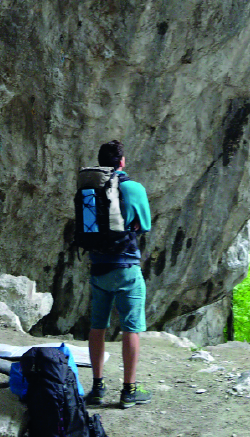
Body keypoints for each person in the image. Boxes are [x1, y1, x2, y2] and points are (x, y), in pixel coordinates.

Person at [83, 139, 153, 409]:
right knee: (130, 328)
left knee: (97, 326)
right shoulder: (133, 187)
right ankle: (129, 390)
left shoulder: (89, 190)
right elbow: (144, 224)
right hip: (126, 268)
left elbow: (88, 228)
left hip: (98, 269)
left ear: (100, 163)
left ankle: (98, 388)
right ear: (122, 162)